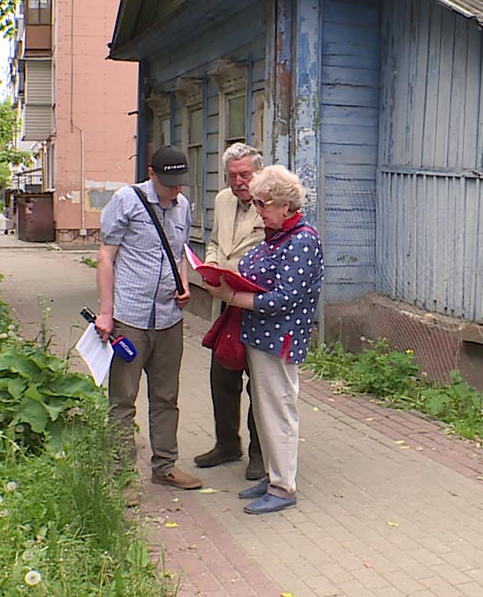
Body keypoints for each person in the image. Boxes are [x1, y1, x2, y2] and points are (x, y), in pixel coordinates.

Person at [202, 165, 324, 515]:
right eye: (255, 202)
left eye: (263, 203)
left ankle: (284, 486)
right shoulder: (277, 235)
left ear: (285, 205)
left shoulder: (302, 239)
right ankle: (273, 476)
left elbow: (285, 297)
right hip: (258, 336)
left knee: (278, 411)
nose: (258, 210)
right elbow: (255, 269)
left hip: (279, 339)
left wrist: (233, 297)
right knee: (266, 411)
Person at [95, 146, 201, 490]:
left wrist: (184, 285)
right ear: (151, 174)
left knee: (166, 396)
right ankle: (121, 477)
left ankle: (165, 466)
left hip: (169, 318)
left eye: (180, 183)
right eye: (169, 183)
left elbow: (179, 253)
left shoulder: (183, 206)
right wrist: (106, 314)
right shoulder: (126, 201)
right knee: (123, 400)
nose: (176, 190)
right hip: (130, 317)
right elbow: (106, 258)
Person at [195, 143, 267, 480]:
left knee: (259, 382)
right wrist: (210, 264)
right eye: (233, 175)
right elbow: (215, 241)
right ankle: (227, 444)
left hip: (257, 304)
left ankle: (260, 453)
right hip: (225, 301)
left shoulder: (272, 200)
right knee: (221, 375)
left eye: (245, 174)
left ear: (259, 172)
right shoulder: (223, 200)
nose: (239, 181)